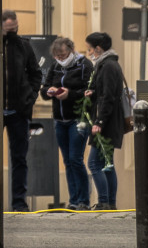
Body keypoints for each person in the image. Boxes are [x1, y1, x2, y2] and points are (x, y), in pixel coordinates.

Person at [39, 36, 93, 211]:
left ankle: (83, 199)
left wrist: (69, 94)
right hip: (60, 120)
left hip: (78, 119)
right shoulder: (55, 66)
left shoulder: (84, 65)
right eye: (57, 56)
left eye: (63, 55)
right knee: (67, 161)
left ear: (71, 50)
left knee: (75, 159)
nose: (61, 59)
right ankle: (74, 199)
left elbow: (88, 90)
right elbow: (44, 90)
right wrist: (50, 91)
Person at [2, 9, 42, 212]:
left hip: (19, 110)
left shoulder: (24, 46)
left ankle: (19, 202)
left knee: (19, 158)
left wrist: (30, 97)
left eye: (14, 29)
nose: (12, 32)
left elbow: (36, 74)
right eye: (8, 29)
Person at [84, 31, 126, 210]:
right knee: (107, 164)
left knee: (94, 163)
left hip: (106, 121)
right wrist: (92, 93)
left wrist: (99, 122)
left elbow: (108, 96)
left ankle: (103, 201)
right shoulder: (108, 64)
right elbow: (105, 92)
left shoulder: (107, 66)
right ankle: (110, 203)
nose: (89, 53)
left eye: (90, 50)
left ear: (98, 49)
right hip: (110, 119)